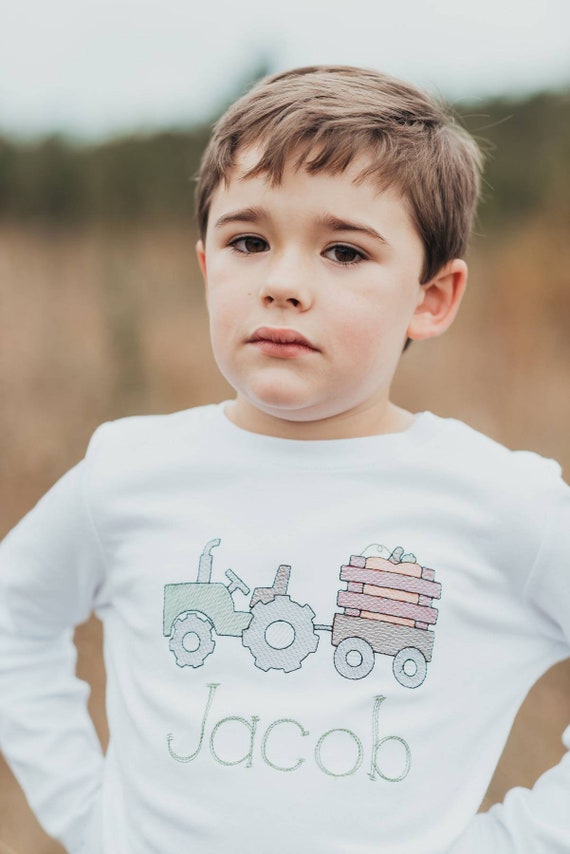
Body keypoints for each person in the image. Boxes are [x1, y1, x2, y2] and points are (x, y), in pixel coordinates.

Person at [0, 65, 569, 854]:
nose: (284, 282)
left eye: (343, 251)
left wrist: (518, 841)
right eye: (248, 241)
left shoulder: (503, 501)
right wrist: (90, 819)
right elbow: (13, 615)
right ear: (206, 263)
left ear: (432, 298)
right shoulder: (128, 471)